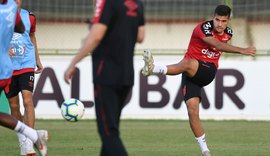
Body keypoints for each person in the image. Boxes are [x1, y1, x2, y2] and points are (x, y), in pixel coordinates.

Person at [142, 5, 256, 156]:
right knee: (192, 110)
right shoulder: (202, 28)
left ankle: (154, 68)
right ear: (212, 17)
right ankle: (205, 151)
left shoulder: (228, 33)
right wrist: (242, 50)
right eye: (217, 20)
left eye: (223, 21)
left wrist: (242, 50)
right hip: (190, 73)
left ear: (229, 20)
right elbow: (216, 44)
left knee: (187, 62)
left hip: (207, 71)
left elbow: (219, 45)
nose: (220, 24)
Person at [64, 0, 145, 155]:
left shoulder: (107, 3)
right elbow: (141, 36)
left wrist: (74, 62)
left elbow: (96, 36)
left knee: (108, 133)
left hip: (106, 74)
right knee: (111, 130)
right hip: (127, 75)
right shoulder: (137, 4)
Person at [0, 0, 47, 156]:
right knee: (14, 106)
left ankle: (28, 143)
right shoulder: (4, 13)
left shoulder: (29, 17)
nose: (17, 2)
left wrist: (37, 60)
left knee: (28, 100)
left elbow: (31, 37)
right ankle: (24, 140)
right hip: (8, 68)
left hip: (26, 63)